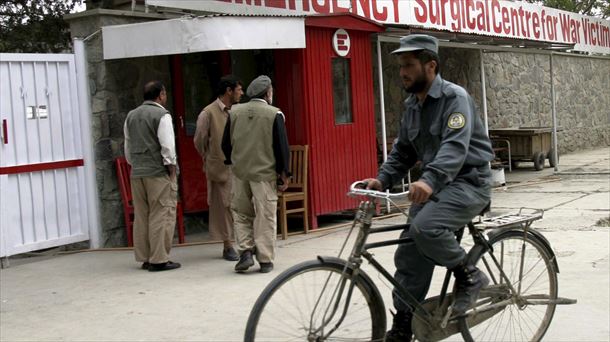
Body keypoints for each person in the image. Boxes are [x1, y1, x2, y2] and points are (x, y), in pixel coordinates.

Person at [360, 35, 495, 341]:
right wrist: (382, 179)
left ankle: (470, 276)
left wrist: (428, 180)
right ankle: (405, 324)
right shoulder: (413, 105)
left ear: (430, 65)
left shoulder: (455, 98)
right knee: (408, 254)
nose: (402, 72)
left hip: (469, 183)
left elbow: (454, 148)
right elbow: (403, 152)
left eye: (408, 65)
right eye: (400, 67)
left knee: (425, 228)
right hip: (436, 188)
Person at [221, 75, 290, 274]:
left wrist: (232, 161)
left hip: (240, 171)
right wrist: (284, 173)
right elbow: (281, 147)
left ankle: (245, 252)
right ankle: (265, 259)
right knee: (265, 215)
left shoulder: (234, 112)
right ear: (268, 93)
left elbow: (226, 143)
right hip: (264, 174)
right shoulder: (274, 114)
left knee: (241, 213)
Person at [124, 81, 181, 272]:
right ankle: (159, 259)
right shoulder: (162, 115)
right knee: (161, 214)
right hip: (157, 172)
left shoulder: (131, 115)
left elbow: (128, 146)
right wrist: (171, 169)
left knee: (142, 216)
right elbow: (167, 146)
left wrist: (135, 165)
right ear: (161, 94)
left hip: (137, 172)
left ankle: (145, 257)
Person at [193, 75, 244, 261]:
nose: (242, 93)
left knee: (239, 204)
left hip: (239, 166)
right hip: (220, 167)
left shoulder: (238, 110)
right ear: (228, 91)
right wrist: (210, 156)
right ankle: (228, 244)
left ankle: (242, 242)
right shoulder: (208, 113)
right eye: (239, 89)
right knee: (223, 206)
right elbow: (199, 140)